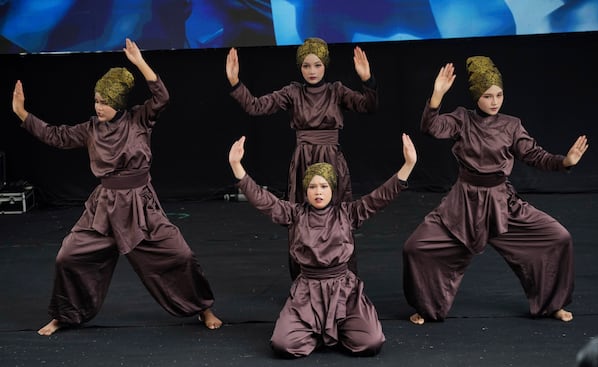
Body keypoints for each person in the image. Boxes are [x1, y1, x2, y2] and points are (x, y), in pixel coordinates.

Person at [11, 38, 222, 335]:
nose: (99, 107)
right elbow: (56, 136)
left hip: (140, 205)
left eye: (105, 103)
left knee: (181, 255)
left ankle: (203, 308)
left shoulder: (140, 119)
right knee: (68, 256)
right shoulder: (91, 128)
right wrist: (22, 114)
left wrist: (139, 62)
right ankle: (64, 315)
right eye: (97, 100)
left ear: (119, 103)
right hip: (105, 207)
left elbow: (162, 97)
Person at [402, 56, 589, 325]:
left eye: (499, 95)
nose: (494, 101)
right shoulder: (462, 119)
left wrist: (564, 162)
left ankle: (553, 304)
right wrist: (436, 97)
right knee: (415, 248)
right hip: (464, 203)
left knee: (558, 238)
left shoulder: (511, 125)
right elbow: (431, 127)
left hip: (502, 203)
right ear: (476, 96)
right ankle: (426, 306)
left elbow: (535, 155)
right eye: (488, 96)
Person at [228, 133, 417, 358]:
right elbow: (263, 199)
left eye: (324, 186)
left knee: (370, 342)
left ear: (332, 189)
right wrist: (236, 166)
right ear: (306, 191)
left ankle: (332, 328)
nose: (318, 192)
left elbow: (380, 197)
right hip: (307, 292)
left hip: (343, 290)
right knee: (283, 344)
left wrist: (408, 165)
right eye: (313, 186)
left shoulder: (348, 213)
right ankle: (317, 329)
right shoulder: (294, 214)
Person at [226, 37, 377, 280]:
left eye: (317, 65)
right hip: (304, 162)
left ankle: (345, 279)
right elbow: (255, 106)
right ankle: (303, 279)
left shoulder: (336, 91)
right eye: (306, 65)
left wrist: (367, 79)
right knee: (301, 219)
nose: (312, 71)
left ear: (325, 65)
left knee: (339, 217)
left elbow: (369, 106)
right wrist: (235, 83)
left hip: (331, 162)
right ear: (300, 67)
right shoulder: (293, 92)